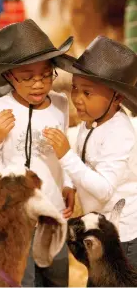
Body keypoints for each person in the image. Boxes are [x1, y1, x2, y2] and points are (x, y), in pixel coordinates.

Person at [0, 19, 75, 287]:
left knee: (56, 278)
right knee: (21, 281)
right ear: (9, 75)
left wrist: (68, 183)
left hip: (52, 215)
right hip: (14, 220)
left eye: (45, 75)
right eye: (28, 77)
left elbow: (64, 154)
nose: (39, 84)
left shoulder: (61, 105)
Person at [43, 36, 137, 270]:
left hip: (121, 236)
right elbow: (82, 156)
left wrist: (65, 157)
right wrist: (70, 185)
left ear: (118, 97)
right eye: (75, 88)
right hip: (99, 230)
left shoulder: (120, 133)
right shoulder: (90, 123)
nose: (77, 99)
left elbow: (104, 190)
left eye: (88, 93)